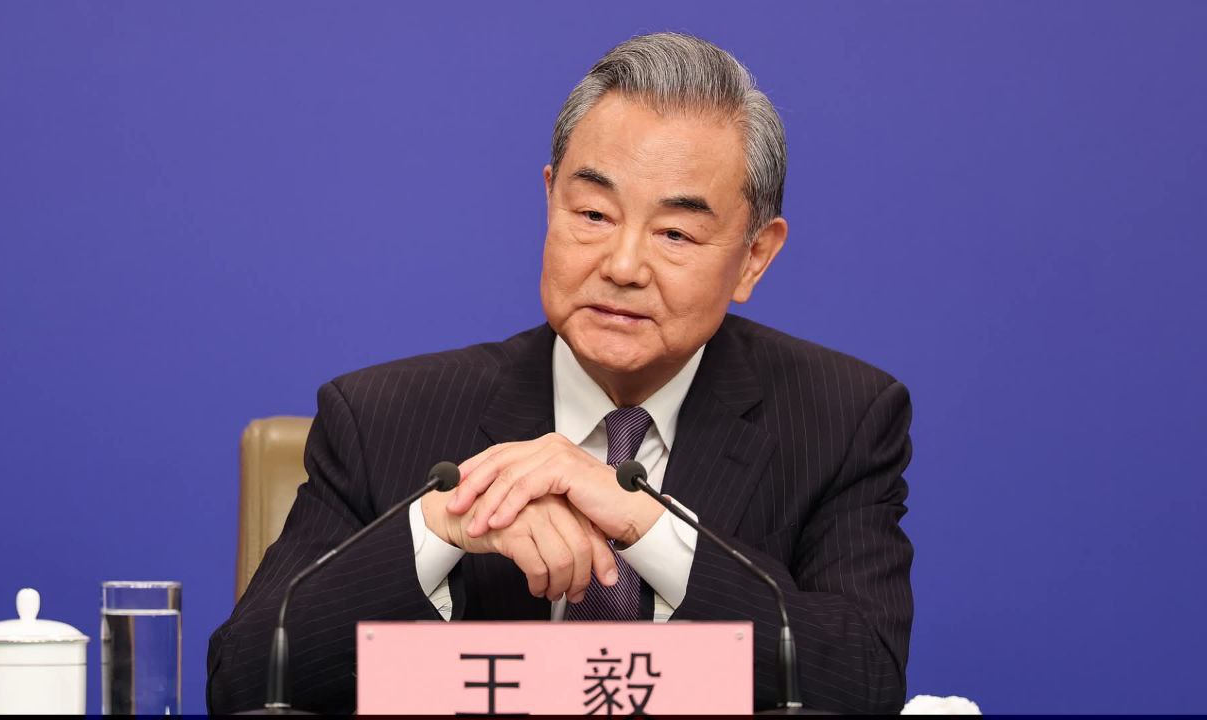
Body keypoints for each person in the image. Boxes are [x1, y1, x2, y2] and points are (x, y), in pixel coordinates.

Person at [207, 32, 914, 714]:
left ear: (754, 257)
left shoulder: (840, 419)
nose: (623, 266)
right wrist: (446, 524)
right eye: (594, 214)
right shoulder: (382, 418)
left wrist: (648, 528)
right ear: (551, 201)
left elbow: (864, 682)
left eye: (675, 232)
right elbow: (243, 679)